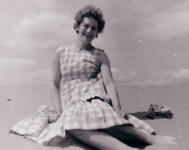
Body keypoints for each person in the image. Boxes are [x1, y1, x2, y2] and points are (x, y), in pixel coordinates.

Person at [10, 5, 177, 150]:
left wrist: (118, 108)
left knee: (105, 119)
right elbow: (54, 84)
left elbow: (109, 83)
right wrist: (59, 111)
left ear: (97, 33)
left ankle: (150, 139)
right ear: (77, 26)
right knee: (69, 124)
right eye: (86, 26)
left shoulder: (99, 54)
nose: (89, 31)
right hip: (71, 101)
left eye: (94, 28)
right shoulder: (61, 52)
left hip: (92, 97)